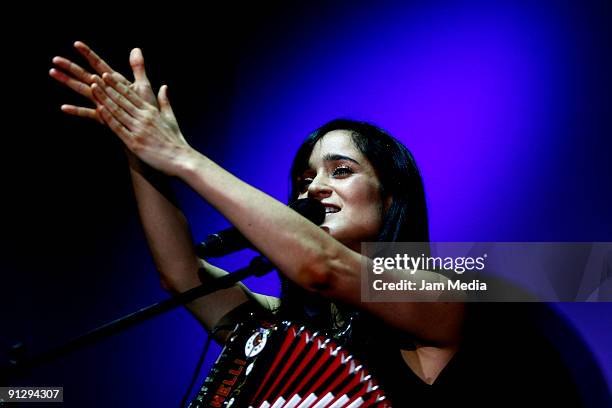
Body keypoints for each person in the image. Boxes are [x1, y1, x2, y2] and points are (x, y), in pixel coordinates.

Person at [50, 42, 584, 407]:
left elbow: (323, 267)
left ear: (392, 196)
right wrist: (140, 149)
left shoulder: (447, 290)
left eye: (341, 171)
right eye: (304, 180)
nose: (313, 189)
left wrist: (183, 157)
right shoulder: (302, 330)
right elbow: (181, 275)